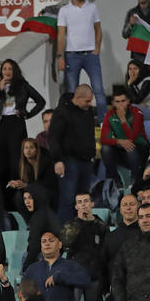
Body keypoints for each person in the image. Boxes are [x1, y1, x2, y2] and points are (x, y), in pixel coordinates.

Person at [0, 58, 45, 185]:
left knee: (16, 158)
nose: (7, 71)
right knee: (1, 158)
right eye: (4, 69)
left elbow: (41, 101)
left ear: (15, 70)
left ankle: (18, 185)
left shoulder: (22, 85)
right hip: (0, 123)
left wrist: (27, 114)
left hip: (16, 123)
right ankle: (2, 189)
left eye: (10, 69)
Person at [56, 0, 105, 120]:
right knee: (72, 92)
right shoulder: (64, 10)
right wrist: (60, 56)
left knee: (99, 90)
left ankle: (103, 123)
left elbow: (98, 29)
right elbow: (61, 35)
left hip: (91, 55)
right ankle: (74, 121)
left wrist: (97, 48)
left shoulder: (92, 7)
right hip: (71, 56)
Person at [50, 84, 97, 223]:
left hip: (86, 160)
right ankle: (65, 235)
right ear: (78, 98)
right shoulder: (61, 112)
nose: (90, 104)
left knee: (84, 201)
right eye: (87, 101)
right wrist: (57, 160)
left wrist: (92, 153)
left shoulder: (87, 111)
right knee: (68, 199)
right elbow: (53, 137)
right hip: (69, 161)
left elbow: (90, 133)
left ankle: (82, 231)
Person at [100, 86, 149, 187]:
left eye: (123, 101)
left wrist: (123, 120)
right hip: (122, 148)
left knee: (130, 147)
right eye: (117, 102)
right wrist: (118, 142)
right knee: (105, 149)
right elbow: (103, 139)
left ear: (128, 101)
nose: (120, 104)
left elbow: (132, 137)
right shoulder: (110, 114)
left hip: (140, 149)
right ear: (113, 103)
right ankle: (116, 181)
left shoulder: (137, 113)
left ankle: (135, 182)